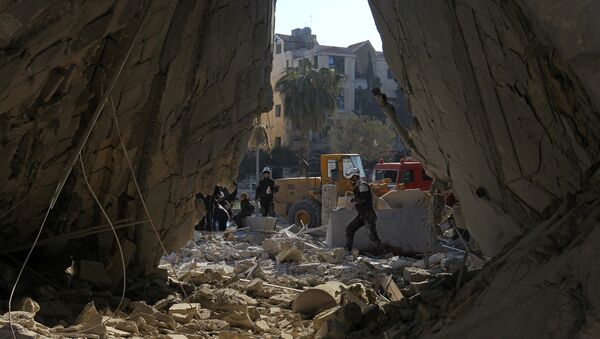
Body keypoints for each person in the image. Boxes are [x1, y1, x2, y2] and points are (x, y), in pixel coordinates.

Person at [344, 167, 383, 251]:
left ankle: (382, 252)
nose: (350, 181)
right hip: (362, 215)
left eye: (350, 179)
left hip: (369, 215)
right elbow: (359, 198)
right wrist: (353, 200)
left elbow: (363, 199)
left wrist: (354, 200)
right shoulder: (358, 186)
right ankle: (347, 249)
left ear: (354, 177)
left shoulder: (362, 185)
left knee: (372, 236)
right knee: (349, 228)